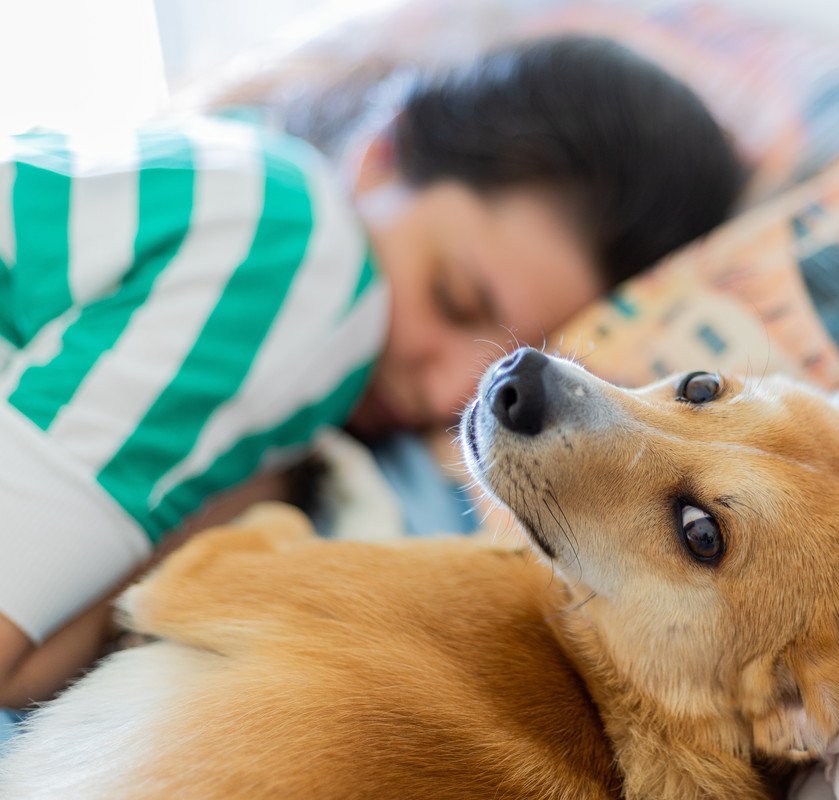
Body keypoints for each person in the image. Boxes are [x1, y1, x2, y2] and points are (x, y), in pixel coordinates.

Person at [0, 35, 744, 709]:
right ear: (381, 154)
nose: (452, 392)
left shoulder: (227, 170)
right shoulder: (298, 255)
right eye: (453, 298)